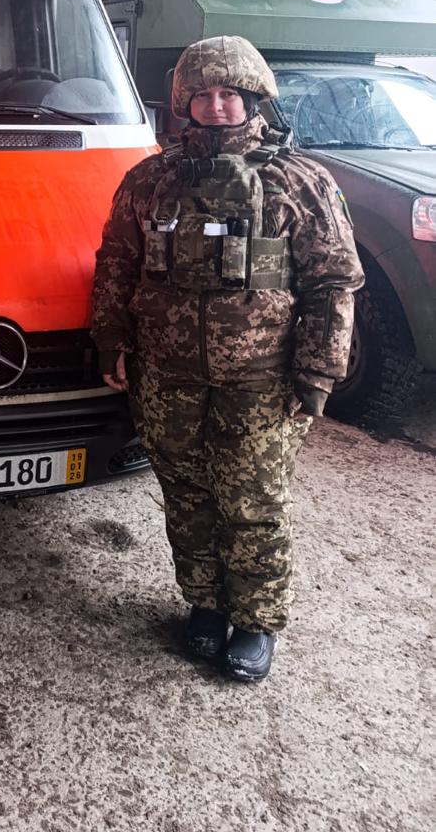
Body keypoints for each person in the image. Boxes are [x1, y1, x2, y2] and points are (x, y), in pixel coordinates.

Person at [91, 35, 363, 682]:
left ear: (253, 99)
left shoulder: (298, 182)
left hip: (261, 379)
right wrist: (110, 339)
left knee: (252, 498)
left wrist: (317, 372)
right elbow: (116, 264)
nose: (216, 106)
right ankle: (206, 606)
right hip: (166, 373)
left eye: (229, 94)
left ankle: (256, 621)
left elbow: (333, 283)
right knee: (185, 493)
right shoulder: (149, 180)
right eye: (202, 95)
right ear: (183, 103)